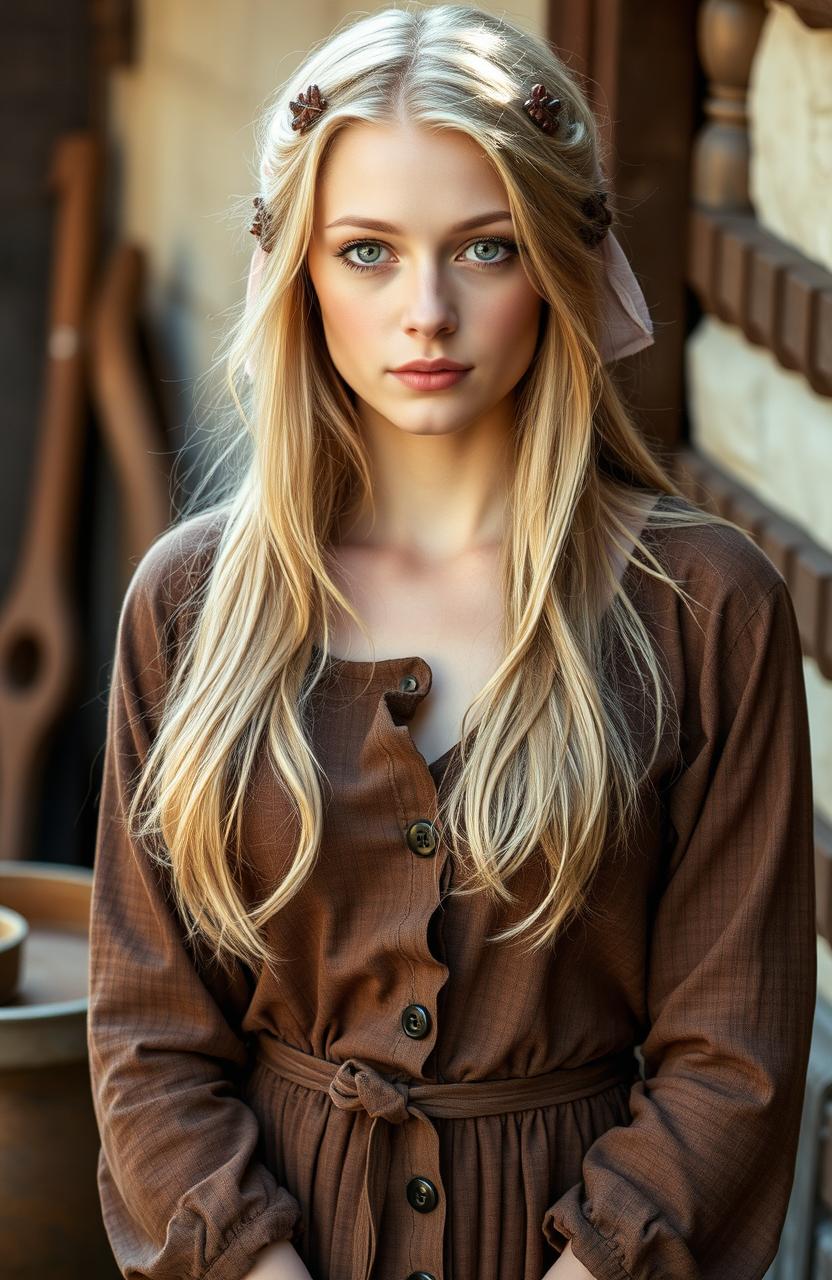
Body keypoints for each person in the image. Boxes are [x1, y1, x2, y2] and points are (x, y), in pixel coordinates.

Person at [86, 5, 817, 1280]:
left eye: (484, 248)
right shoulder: (192, 605)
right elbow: (148, 1036)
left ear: (559, 258)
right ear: (297, 271)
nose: (425, 310)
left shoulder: (704, 605)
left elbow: (731, 1052)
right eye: (365, 251)